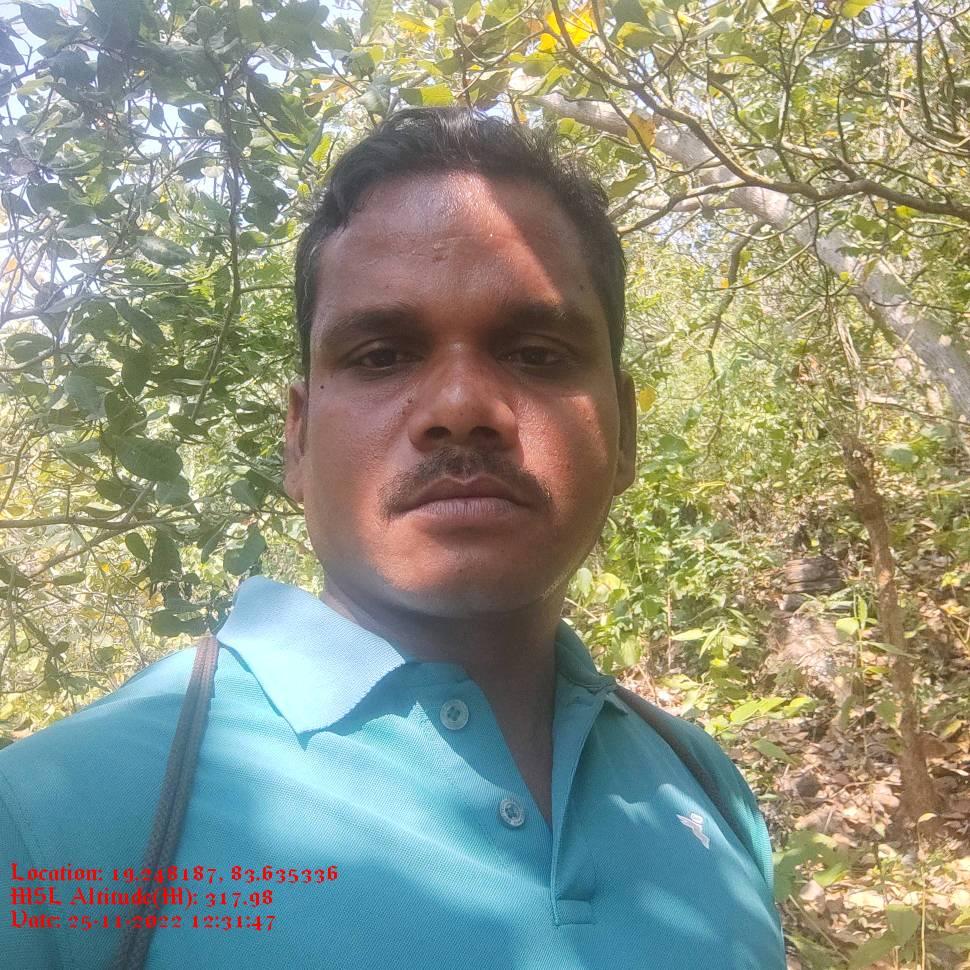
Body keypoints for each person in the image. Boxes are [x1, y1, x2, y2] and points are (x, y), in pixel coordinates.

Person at [1, 107, 786, 968]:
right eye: (381, 355)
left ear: (624, 430)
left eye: (536, 352)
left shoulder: (702, 785)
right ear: (298, 439)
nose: (462, 408)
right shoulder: (53, 819)